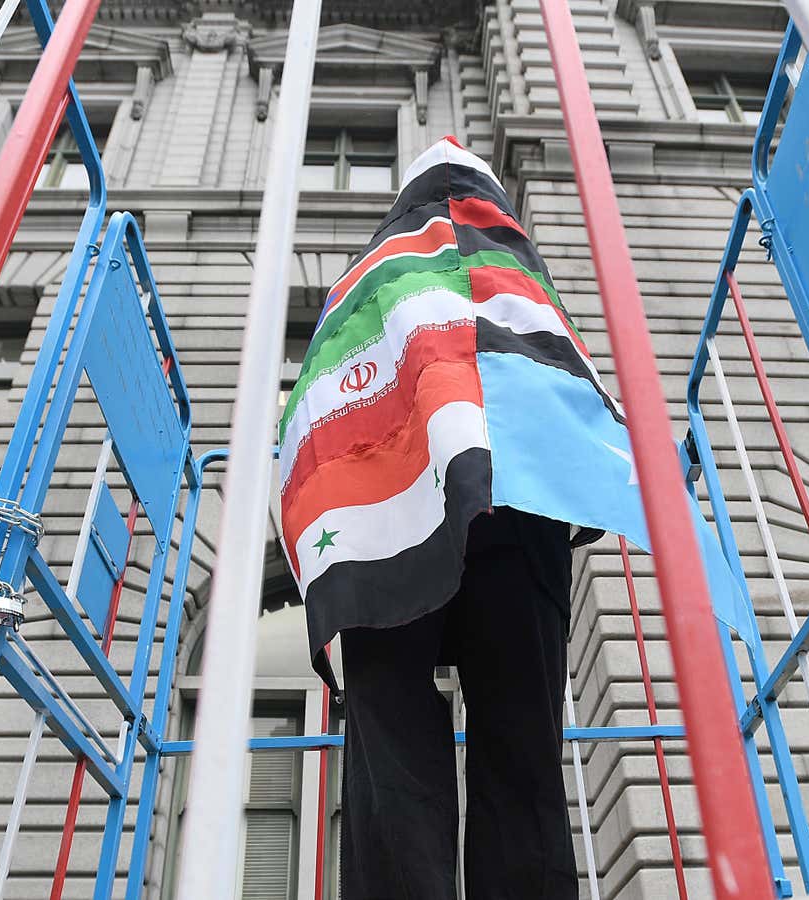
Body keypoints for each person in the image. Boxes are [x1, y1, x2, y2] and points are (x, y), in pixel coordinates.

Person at [276, 137, 635, 899]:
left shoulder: (360, 280)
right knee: (523, 746)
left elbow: (313, 407)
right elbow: (564, 373)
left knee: (389, 746)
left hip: (379, 518)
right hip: (513, 509)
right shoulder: (508, 254)